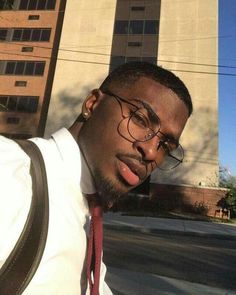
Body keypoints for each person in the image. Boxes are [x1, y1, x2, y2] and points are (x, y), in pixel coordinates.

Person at [0, 62, 192, 294]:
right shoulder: (12, 171)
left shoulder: (88, 217)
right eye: (140, 120)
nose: (151, 152)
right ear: (92, 104)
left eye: (166, 145)